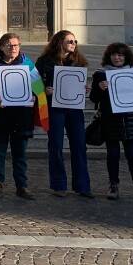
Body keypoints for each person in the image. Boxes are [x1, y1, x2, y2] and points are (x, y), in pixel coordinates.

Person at [0, 32, 49, 200]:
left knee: (20, 153)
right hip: (0, 114)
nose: (13, 48)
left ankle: (22, 186)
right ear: (1, 46)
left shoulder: (27, 63)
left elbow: (38, 86)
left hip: (21, 115)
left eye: (16, 45)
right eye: (9, 45)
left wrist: (34, 95)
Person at [92, 43, 133, 203]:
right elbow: (93, 98)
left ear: (126, 57)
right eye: (114, 55)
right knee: (113, 154)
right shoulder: (101, 74)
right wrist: (99, 88)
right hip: (110, 120)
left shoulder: (132, 74)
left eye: (120, 55)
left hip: (130, 120)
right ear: (109, 56)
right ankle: (113, 185)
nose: (117, 58)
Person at [36, 30, 92, 198]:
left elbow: (79, 83)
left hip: (74, 108)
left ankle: (83, 185)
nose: (73, 44)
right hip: (55, 108)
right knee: (56, 146)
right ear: (59, 42)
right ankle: (59, 185)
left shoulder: (79, 62)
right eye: (69, 41)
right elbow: (36, 84)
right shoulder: (44, 61)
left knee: (79, 145)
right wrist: (45, 89)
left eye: (74, 41)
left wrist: (84, 88)